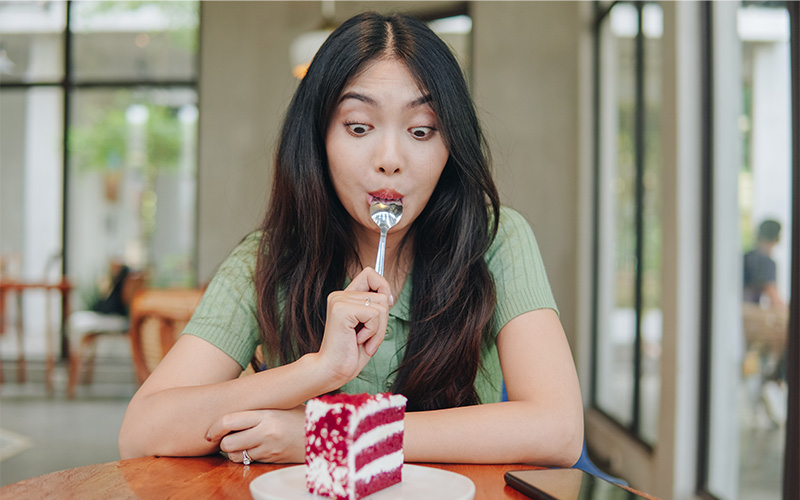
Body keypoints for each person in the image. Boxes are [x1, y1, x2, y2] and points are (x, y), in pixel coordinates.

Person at [118, 12, 583, 467]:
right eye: (359, 127)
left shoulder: (494, 240)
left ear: (450, 145)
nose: (390, 159)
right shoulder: (269, 257)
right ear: (318, 138)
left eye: (421, 131)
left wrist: (332, 436)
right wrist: (319, 369)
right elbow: (141, 432)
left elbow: (559, 430)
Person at [743, 219, 785, 308]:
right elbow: (775, 300)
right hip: (749, 316)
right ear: (777, 238)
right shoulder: (766, 262)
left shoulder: (746, 257)